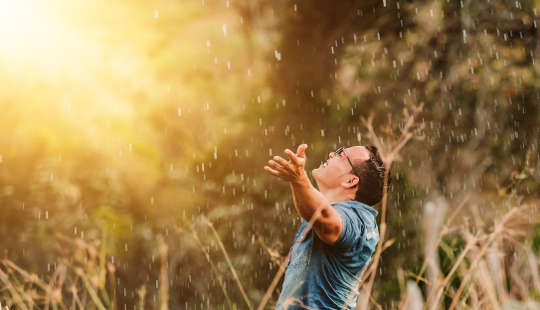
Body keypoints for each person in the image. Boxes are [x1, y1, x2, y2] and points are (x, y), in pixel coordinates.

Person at [263, 144, 390, 310]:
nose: (332, 153)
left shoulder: (359, 220)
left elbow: (328, 223)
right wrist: (297, 181)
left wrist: (299, 179)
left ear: (350, 181)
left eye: (341, 154)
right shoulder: (350, 215)